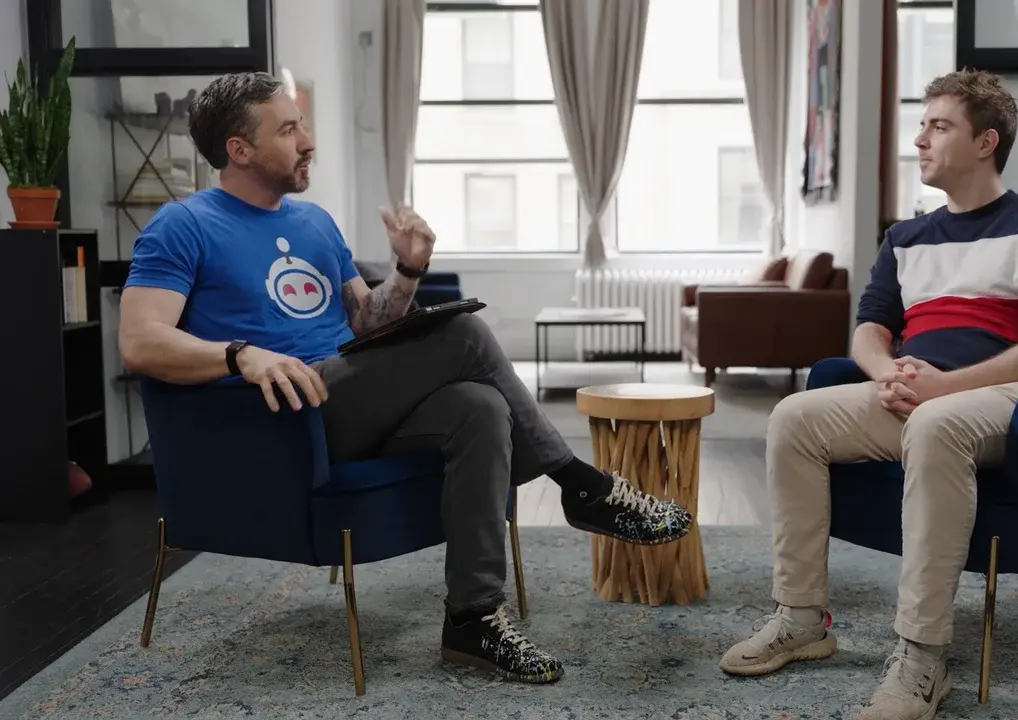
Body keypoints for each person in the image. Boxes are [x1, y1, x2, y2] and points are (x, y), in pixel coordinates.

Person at [116, 71, 693, 685]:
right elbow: (140, 340)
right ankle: (581, 484)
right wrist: (241, 356)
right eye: (287, 130)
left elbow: (367, 322)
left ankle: (473, 619)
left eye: (302, 124)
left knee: (479, 407)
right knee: (463, 333)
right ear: (239, 149)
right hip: (277, 421)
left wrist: (408, 272)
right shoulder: (183, 226)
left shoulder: (314, 224)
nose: (308, 140)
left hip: (345, 399)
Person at [719, 69, 1018, 719]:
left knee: (936, 423)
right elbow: (870, 327)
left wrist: (945, 387)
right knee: (794, 418)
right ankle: (801, 619)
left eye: (939, 126)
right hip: (913, 396)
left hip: (1004, 401)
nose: (920, 139)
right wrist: (885, 373)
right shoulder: (906, 237)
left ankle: (923, 655)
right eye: (922, 125)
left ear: (986, 142)